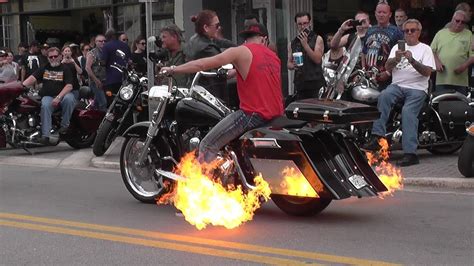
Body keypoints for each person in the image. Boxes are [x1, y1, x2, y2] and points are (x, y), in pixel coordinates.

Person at [161, 23, 283, 164]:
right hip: (275, 116)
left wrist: (173, 69)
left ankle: (202, 184)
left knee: (207, 145)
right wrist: (232, 73)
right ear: (264, 40)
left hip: (252, 116)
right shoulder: (274, 58)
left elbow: (202, 64)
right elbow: (259, 75)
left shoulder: (240, 51)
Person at [364, 19, 436, 167]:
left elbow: (428, 72)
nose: (409, 33)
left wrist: (413, 60)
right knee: (383, 95)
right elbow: (387, 66)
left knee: (408, 111)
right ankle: (377, 137)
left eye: (412, 30)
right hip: (397, 86)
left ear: (419, 32)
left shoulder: (425, 49)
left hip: (417, 88)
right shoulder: (397, 47)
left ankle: (410, 153)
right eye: (406, 31)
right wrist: (396, 59)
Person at [22, 47, 75, 145]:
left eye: (55, 56)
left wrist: (58, 97)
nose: (53, 58)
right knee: (45, 105)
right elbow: (32, 78)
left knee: (69, 98)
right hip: (48, 96)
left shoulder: (65, 68)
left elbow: (69, 86)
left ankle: (64, 125)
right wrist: (21, 86)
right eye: (51, 57)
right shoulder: (44, 67)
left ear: (60, 56)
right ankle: (45, 136)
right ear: (48, 58)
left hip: (63, 95)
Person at [184, 10, 236, 101]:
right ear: (206, 28)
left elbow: (222, 43)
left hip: (197, 89)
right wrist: (237, 69)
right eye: (216, 26)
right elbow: (223, 65)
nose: (219, 28)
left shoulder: (194, 40)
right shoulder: (207, 48)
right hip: (210, 93)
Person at [432, 10, 474, 96]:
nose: (459, 23)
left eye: (462, 22)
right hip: (442, 78)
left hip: (460, 80)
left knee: (460, 106)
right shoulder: (441, 33)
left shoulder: (469, 34)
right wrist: (437, 62)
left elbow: (472, 56)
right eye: (457, 20)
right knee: (442, 105)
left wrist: (463, 66)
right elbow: (431, 50)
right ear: (452, 19)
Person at [361, 2, 403, 86]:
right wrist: (363, 70)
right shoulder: (369, 30)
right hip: (368, 76)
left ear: (390, 14)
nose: (381, 15)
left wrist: (388, 73)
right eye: (379, 12)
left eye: (384, 12)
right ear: (375, 14)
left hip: (387, 78)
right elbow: (364, 52)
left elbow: (402, 54)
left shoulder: (397, 32)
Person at [287, 11, 325, 101]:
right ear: (296, 25)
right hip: (300, 83)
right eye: (300, 24)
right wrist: (293, 65)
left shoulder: (317, 39)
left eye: (305, 23)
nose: (303, 27)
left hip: (315, 82)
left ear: (309, 23)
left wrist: (305, 45)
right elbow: (288, 63)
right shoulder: (293, 43)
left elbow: (317, 59)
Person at [102, 29, 131, 106]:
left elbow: (103, 62)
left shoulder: (106, 46)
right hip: (124, 78)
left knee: (111, 103)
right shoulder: (125, 46)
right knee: (124, 102)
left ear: (108, 37)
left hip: (111, 78)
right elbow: (129, 61)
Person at [86, 34, 107, 110]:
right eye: (100, 41)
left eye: (104, 41)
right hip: (95, 82)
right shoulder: (92, 53)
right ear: (95, 42)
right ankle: (102, 120)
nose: (103, 42)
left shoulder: (106, 52)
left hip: (105, 81)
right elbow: (87, 68)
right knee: (103, 103)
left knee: (97, 102)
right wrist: (96, 80)